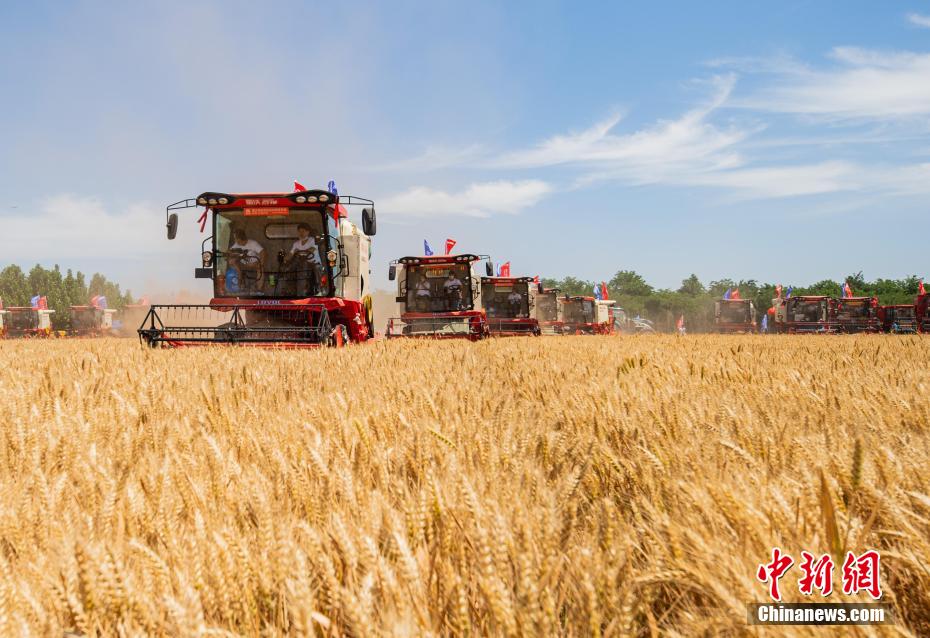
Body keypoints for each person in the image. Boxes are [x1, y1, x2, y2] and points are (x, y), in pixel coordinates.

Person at [282, 223, 321, 296]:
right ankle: (291, 290)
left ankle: (319, 289)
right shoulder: (296, 244)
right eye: (299, 231)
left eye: (303, 231)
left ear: (308, 232)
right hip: (301, 265)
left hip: (313, 263)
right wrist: (284, 259)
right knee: (289, 269)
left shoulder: (313, 240)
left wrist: (300, 252)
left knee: (316, 268)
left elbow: (312, 249)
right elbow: (291, 254)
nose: (301, 233)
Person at [228, 228, 265, 292]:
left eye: (236, 238)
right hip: (243, 264)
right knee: (232, 262)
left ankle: (259, 289)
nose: (235, 240)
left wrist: (261, 264)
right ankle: (239, 287)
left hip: (255, 264)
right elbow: (229, 252)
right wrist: (232, 256)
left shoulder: (253, 243)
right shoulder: (236, 245)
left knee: (261, 269)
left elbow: (263, 253)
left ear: (240, 238)